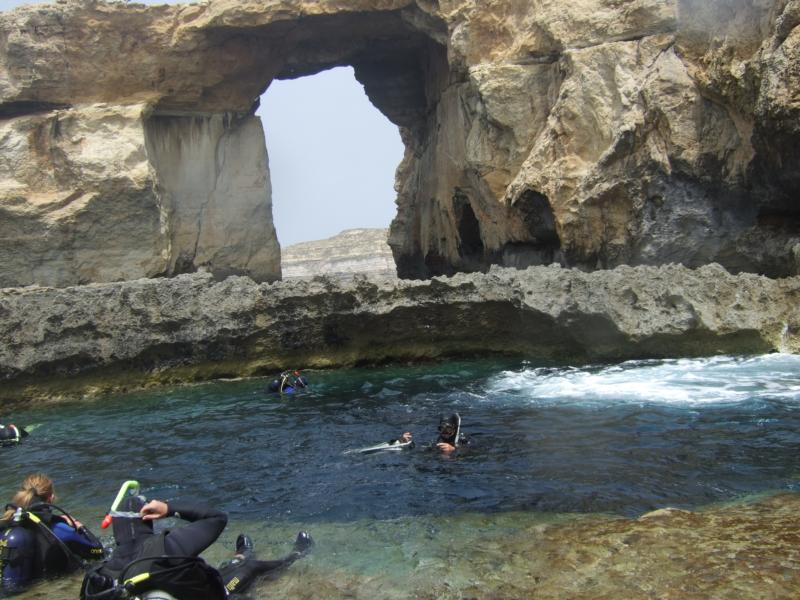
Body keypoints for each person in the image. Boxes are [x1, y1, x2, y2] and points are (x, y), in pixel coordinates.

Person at [81, 495, 313, 599]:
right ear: (148, 521)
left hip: (169, 586)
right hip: (210, 591)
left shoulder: (102, 572)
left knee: (226, 568)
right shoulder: (165, 546)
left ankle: (241, 553)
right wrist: (169, 508)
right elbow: (217, 518)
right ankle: (295, 554)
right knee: (248, 569)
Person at [0, 473, 104, 593]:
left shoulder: (7, 521)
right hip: (42, 589)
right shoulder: (58, 528)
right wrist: (81, 527)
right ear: (51, 497)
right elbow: (98, 551)